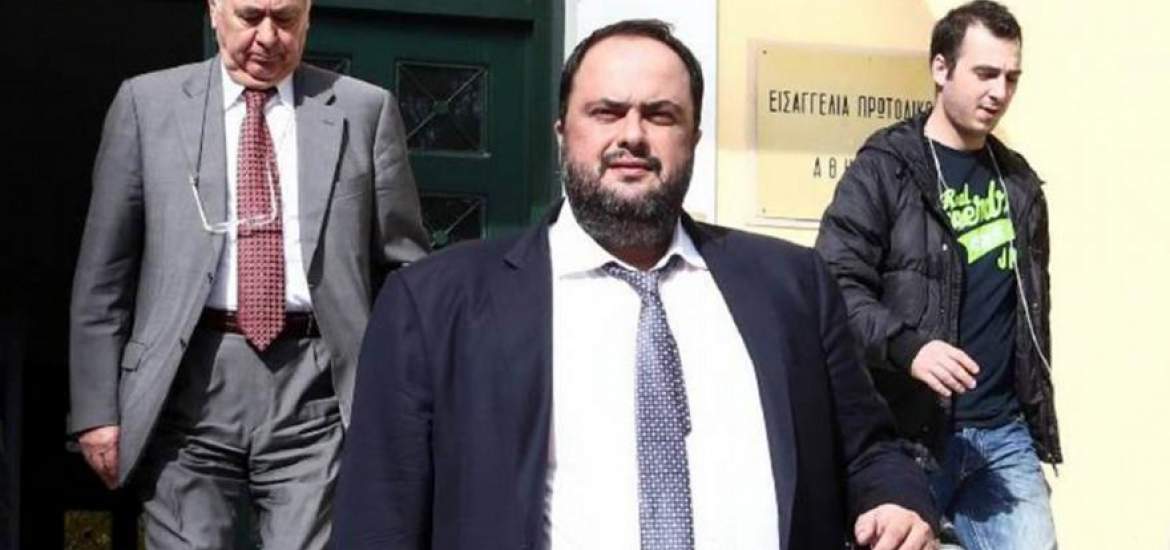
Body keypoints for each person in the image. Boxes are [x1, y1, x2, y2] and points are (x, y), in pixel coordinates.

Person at [334, 18, 936, 550]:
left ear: (693, 138)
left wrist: (896, 500)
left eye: (660, 114)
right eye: (606, 111)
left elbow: (868, 449)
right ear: (562, 132)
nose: (632, 135)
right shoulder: (435, 305)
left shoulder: (792, 286)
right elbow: (380, 520)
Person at [68, 0, 429, 546]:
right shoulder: (147, 104)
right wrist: (97, 409)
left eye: (285, 20)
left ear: (308, 16)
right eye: (250, 16)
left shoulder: (364, 110)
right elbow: (105, 271)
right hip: (185, 385)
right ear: (214, 11)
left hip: (315, 388)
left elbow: (405, 273)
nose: (267, 37)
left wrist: (404, 395)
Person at [815, 2, 1059, 548]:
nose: (999, 92)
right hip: (906, 435)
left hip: (1003, 437)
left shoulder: (1019, 184)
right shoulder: (884, 169)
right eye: (985, 73)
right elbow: (833, 286)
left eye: (1011, 77)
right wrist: (909, 347)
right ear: (941, 68)